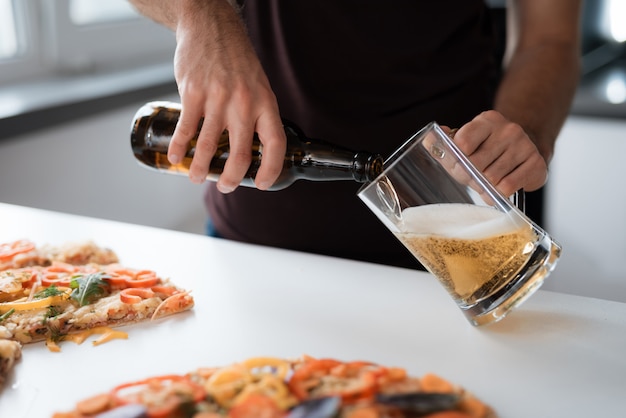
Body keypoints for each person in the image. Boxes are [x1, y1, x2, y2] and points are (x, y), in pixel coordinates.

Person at [128, 0, 582, 269]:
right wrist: (200, 14)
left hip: (453, 238)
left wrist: (527, 130)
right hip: (257, 243)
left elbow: (551, 39)